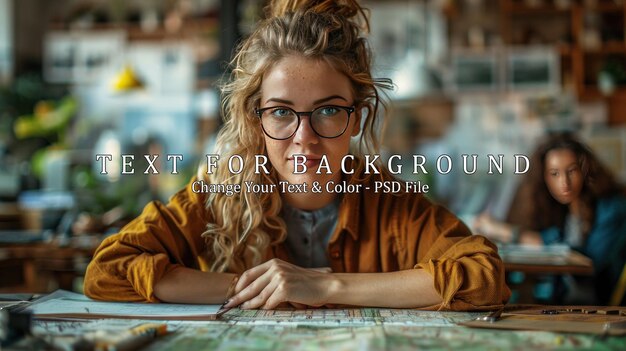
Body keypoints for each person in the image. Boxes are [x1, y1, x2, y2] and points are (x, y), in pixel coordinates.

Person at [84, 0, 510, 311]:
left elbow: (483, 276)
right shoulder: (216, 195)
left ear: (357, 118)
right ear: (256, 119)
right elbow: (108, 269)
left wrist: (327, 287)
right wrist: (259, 286)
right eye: (282, 113)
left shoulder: (391, 202)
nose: (304, 138)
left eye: (327, 111)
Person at [475, 133, 626, 304]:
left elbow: (588, 263)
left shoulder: (612, 208)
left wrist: (509, 233)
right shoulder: (559, 208)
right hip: (567, 304)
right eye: (554, 174)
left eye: (571, 171)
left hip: (604, 308)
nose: (564, 183)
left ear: (586, 169)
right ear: (544, 178)